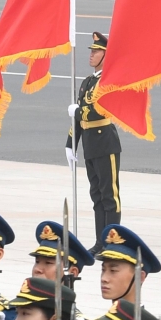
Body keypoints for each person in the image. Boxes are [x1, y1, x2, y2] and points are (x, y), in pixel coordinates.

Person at [71, 32, 121, 235]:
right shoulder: (87, 82)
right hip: (90, 144)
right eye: (91, 50)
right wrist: (71, 143)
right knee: (97, 196)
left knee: (110, 196)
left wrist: (78, 111)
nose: (91, 54)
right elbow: (79, 118)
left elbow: (97, 110)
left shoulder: (108, 82)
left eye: (96, 51)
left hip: (105, 142)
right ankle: (101, 241)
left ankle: (113, 241)